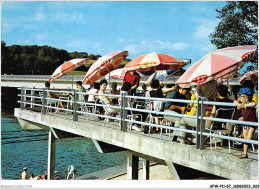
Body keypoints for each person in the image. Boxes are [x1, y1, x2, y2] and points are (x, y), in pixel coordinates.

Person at [234, 88, 257, 159]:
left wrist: (244, 106)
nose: (240, 99)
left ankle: (245, 153)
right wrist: (241, 105)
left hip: (252, 124)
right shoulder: (241, 104)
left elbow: (254, 103)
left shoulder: (251, 103)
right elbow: (234, 101)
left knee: (248, 138)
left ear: (246, 98)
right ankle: (245, 153)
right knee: (245, 138)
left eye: (241, 98)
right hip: (245, 123)